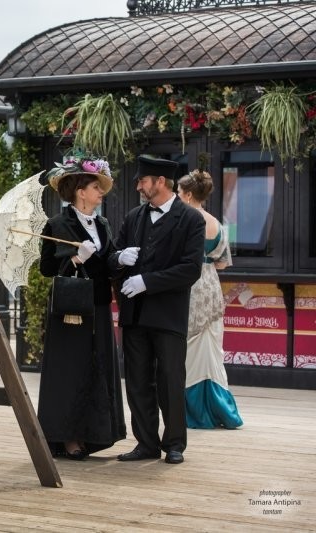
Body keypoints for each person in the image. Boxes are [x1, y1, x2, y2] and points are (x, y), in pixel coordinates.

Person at [108, 155, 205, 465]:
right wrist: (119, 258)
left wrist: (147, 281)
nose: (138, 185)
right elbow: (114, 257)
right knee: (137, 382)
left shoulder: (191, 219)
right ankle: (146, 444)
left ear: (160, 182)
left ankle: (174, 443)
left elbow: (190, 270)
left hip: (168, 317)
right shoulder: (133, 217)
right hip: (134, 316)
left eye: (142, 181)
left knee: (170, 380)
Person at [36, 154, 127, 460]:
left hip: (99, 304)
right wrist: (75, 259)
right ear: (80, 191)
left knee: (99, 365)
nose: (101, 192)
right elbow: (46, 268)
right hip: (70, 310)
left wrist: (119, 258)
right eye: (95, 186)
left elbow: (108, 259)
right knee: (71, 370)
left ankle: (96, 433)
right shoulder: (57, 224)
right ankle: (69, 437)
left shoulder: (102, 223)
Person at [176, 169, 244, 429]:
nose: (178, 197)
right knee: (211, 350)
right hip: (210, 285)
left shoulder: (184, 221)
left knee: (187, 349)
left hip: (188, 284)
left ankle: (192, 410)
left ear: (189, 194)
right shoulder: (217, 223)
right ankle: (220, 410)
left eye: (180, 193)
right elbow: (223, 264)